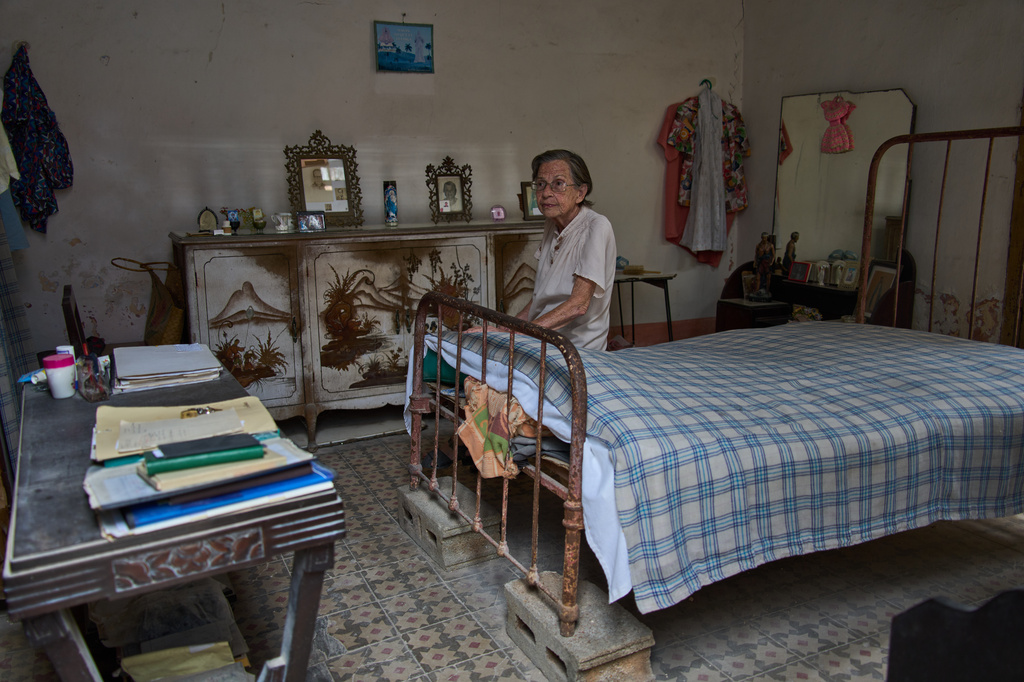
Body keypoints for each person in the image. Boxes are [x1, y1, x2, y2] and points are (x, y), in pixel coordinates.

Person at [512, 150, 617, 350]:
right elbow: (539, 299)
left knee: (488, 368)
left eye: (558, 184)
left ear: (580, 192)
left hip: (576, 349)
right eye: (541, 184)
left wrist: (515, 334)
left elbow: (578, 305)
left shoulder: (596, 226)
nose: (546, 193)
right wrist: (506, 328)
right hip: (543, 337)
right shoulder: (552, 224)